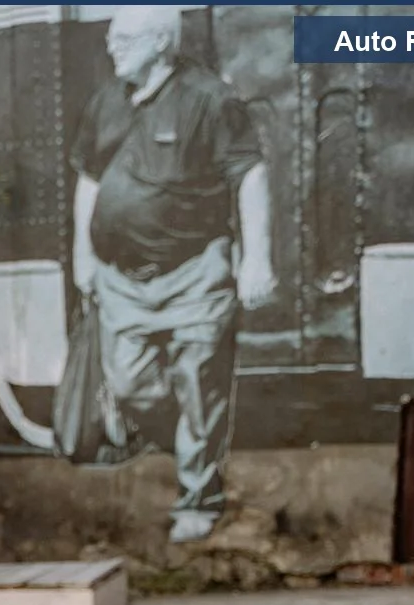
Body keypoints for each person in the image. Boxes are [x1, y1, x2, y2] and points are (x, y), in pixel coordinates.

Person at [70, 5, 275, 545]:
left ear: (162, 41)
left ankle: (198, 499)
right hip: (120, 277)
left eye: (125, 39)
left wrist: (257, 257)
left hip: (195, 271)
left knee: (200, 385)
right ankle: (189, 441)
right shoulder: (106, 101)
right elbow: (89, 181)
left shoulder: (211, 99)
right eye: (111, 38)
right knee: (129, 384)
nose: (113, 48)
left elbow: (250, 175)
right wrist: (82, 255)